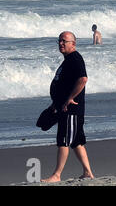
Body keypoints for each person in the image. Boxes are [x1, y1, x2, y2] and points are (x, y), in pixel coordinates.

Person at [41, 31, 94, 183]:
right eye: (59, 41)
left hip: (71, 109)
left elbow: (83, 79)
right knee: (76, 141)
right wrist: (55, 103)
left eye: (64, 41)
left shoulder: (75, 59)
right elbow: (64, 84)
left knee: (63, 140)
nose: (61, 43)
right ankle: (88, 172)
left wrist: (70, 98)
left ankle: (57, 175)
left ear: (73, 43)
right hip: (63, 107)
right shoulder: (68, 60)